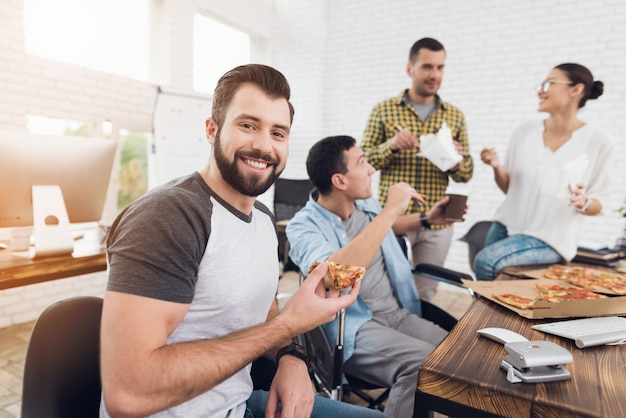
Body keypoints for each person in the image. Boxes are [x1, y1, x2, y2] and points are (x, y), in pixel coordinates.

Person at [99, 64, 387, 418]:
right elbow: (129, 393)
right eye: (248, 125)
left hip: (241, 404)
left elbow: (262, 310)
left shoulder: (263, 220)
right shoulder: (168, 218)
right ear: (211, 129)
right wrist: (289, 325)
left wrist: (290, 357)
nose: (264, 146)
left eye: (278, 133)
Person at [286, 135, 452, 418]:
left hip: (396, 313)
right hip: (351, 329)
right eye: (362, 162)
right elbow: (336, 276)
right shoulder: (302, 226)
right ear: (340, 181)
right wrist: (390, 209)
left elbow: (383, 230)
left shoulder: (364, 205)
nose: (372, 169)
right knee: (423, 364)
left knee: (456, 352)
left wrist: (425, 219)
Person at [474, 63, 615, 280]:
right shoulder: (523, 132)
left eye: (549, 83)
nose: (540, 90)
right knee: (486, 286)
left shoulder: (598, 141)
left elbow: (600, 203)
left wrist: (583, 201)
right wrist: (496, 166)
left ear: (575, 90)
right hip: (505, 225)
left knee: (486, 262)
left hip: (549, 239)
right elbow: (510, 189)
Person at [360, 37, 473, 301]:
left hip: (438, 221)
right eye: (427, 67)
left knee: (425, 293)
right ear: (410, 69)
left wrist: (457, 162)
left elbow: (467, 174)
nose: (435, 75)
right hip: (393, 219)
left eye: (440, 67)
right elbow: (363, 163)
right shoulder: (384, 110)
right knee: (383, 289)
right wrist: (391, 146)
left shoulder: (455, 116)